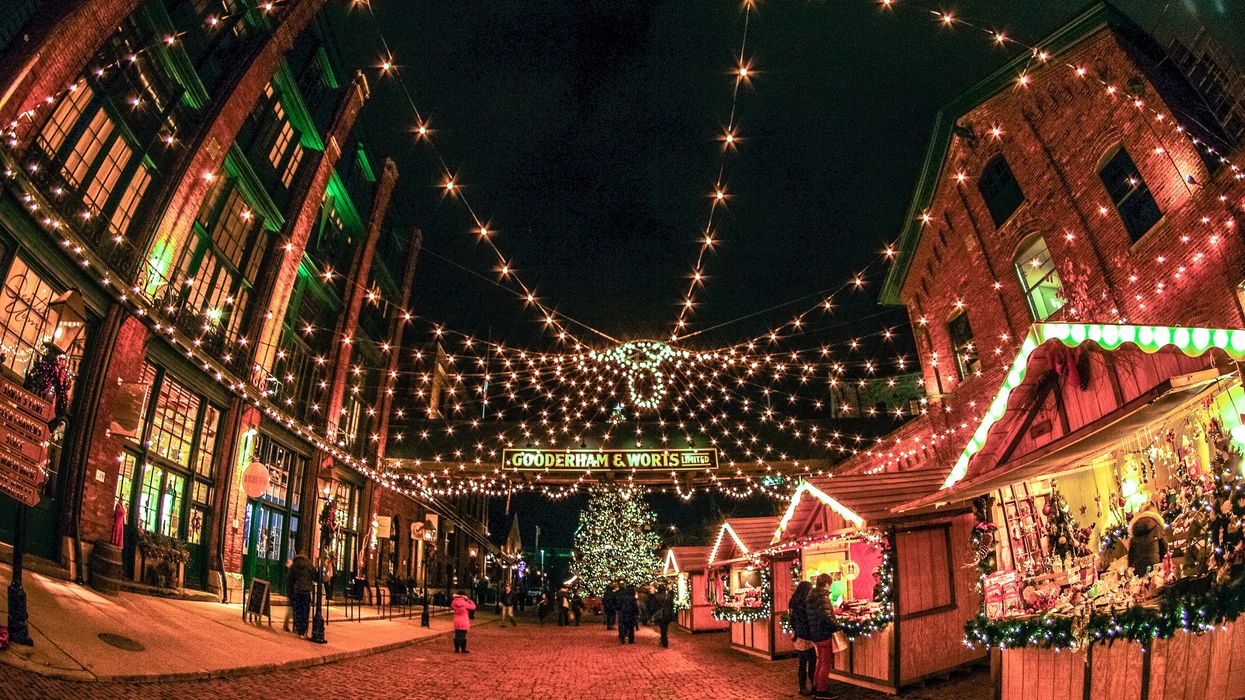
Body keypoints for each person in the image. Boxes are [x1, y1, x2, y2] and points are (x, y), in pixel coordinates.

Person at [805, 574, 840, 699]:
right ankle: (822, 690)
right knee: (825, 663)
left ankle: (815, 687)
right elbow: (826, 617)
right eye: (830, 584)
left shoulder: (811, 595)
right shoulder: (823, 596)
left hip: (815, 634)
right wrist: (836, 626)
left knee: (820, 661)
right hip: (824, 634)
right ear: (826, 584)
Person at [788, 580, 817, 696]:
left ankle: (803, 687)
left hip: (799, 637)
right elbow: (808, 621)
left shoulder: (794, 603)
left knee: (802, 663)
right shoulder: (806, 604)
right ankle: (813, 687)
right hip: (807, 637)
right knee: (812, 663)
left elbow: (792, 621)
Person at [287, 553, 315, 637]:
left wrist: (290, 592)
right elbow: (315, 576)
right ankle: (303, 630)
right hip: (306, 591)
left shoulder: (294, 566)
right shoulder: (309, 566)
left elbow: (290, 579)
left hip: (297, 590)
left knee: (297, 610)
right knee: (305, 611)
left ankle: (299, 629)